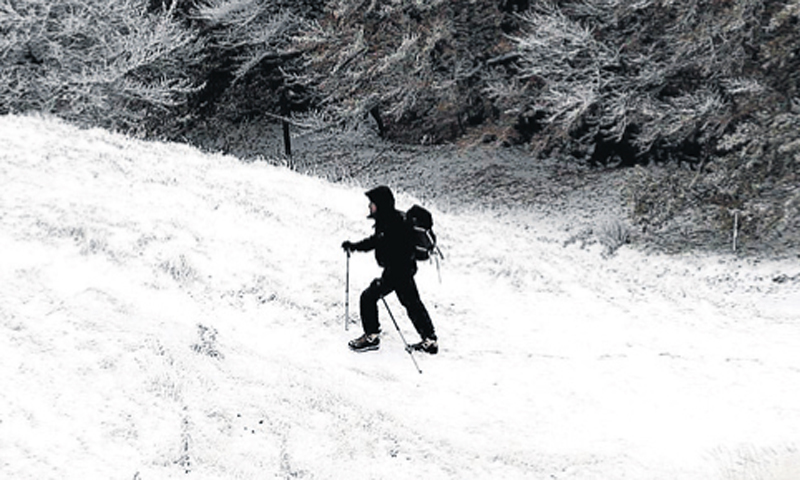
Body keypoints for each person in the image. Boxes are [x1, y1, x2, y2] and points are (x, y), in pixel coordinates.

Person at [341, 186, 438, 354]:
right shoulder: (393, 218)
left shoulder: (391, 223)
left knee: (368, 297)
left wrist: (385, 279)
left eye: (372, 203)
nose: (369, 206)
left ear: (381, 204)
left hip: (398, 272)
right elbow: (377, 241)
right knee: (412, 304)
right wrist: (354, 246)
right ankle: (430, 340)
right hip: (404, 270)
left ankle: (371, 337)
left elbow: (379, 243)